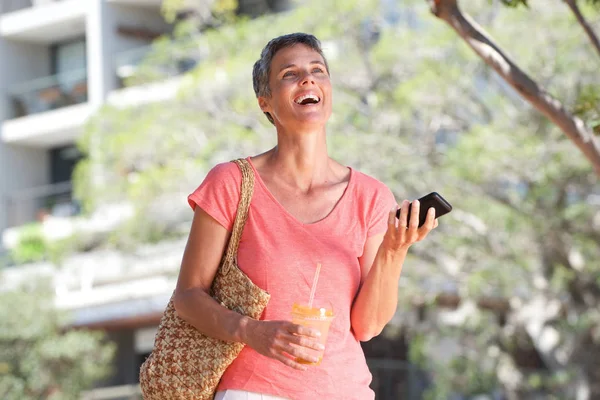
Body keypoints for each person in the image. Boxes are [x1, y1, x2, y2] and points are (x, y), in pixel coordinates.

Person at [173, 32, 438, 400]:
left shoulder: (371, 196)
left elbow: (368, 326)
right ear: (265, 102)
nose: (308, 79)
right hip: (253, 393)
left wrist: (394, 250)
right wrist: (252, 331)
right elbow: (187, 296)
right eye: (289, 74)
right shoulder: (231, 183)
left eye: (317, 70)